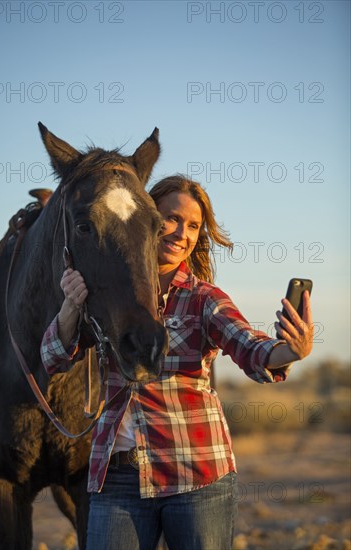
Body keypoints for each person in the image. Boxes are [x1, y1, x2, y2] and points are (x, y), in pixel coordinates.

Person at [41, 175, 313, 550]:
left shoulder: (204, 299)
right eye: (171, 219)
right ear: (147, 219)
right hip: (117, 478)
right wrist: (71, 306)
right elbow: (53, 359)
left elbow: (251, 348)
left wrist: (291, 350)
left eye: (193, 226)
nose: (181, 233)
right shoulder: (106, 296)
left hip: (196, 473)